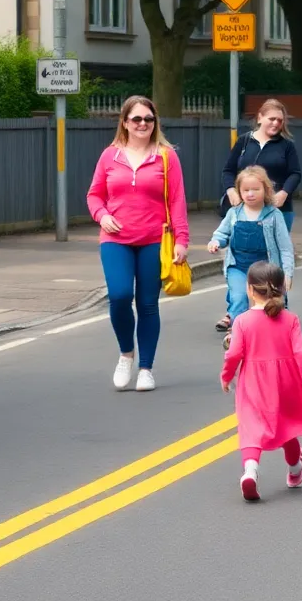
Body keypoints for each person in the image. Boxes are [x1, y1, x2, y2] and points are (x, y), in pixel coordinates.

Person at [87, 95, 189, 393]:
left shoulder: (167, 156)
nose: (143, 124)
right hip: (115, 239)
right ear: (125, 122)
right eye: (137, 119)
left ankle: (146, 368)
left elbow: (177, 201)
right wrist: (102, 215)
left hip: (154, 241)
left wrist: (182, 240)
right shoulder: (110, 156)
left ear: (155, 122)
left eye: (148, 119)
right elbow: (94, 195)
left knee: (147, 305)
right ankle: (125, 354)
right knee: (119, 296)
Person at [220, 261, 302, 501]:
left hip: (254, 382)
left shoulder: (242, 321)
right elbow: (300, 353)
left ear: (251, 290)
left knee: (251, 428)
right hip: (286, 381)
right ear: (282, 288)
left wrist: (226, 375)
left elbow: (234, 354)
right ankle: (295, 467)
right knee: (286, 426)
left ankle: (250, 471)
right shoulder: (290, 319)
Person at [217, 99, 301, 331]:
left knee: (272, 257)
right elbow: (227, 170)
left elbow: (295, 173)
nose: (275, 123)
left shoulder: (286, 145)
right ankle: (234, 309)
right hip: (244, 209)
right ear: (260, 117)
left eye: (279, 120)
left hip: (276, 210)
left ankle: (277, 306)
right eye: (271, 119)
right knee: (239, 257)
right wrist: (231, 191)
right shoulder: (245, 142)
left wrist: (284, 193)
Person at [208, 166, 295, 337]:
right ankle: (238, 334)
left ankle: (278, 331)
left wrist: (287, 274)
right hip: (238, 266)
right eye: (245, 190)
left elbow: (285, 247)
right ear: (239, 191)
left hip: (266, 269)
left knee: (273, 302)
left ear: (266, 189)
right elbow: (222, 233)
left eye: (255, 189)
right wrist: (215, 242)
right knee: (238, 297)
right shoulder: (234, 213)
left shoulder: (274, 215)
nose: (250, 194)